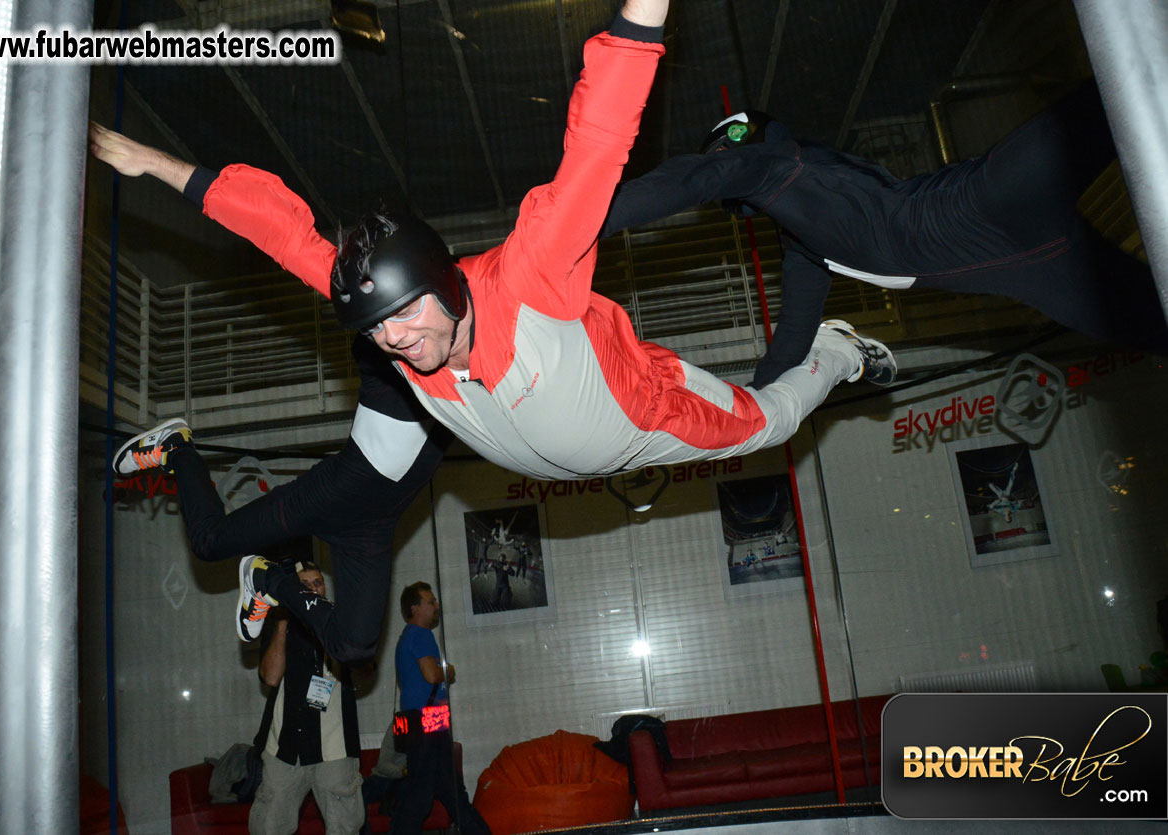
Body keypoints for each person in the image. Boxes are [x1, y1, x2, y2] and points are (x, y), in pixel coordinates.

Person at [97, 0, 891, 656]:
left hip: (644, 417)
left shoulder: (531, 273)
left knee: (770, 421)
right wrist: (156, 166)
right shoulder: (393, 330)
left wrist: (644, 13)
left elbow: (600, 130)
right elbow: (282, 231)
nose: (399, 341)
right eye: (380, 330)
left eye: (408, 316)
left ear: (443, 284)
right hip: (546, 446)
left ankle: (838, 349)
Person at [601, 80, 1168, 387]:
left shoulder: (775, 168)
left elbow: (695, 177)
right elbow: (794, 334)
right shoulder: (803, 245)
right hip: (1033, 269)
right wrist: (756, 403)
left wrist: (580, 216)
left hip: (984, 200)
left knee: (1129, 83)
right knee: (1154, 323)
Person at [250, 561, 364, 835]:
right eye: (304, 586)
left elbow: (366, 668)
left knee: (344, 827)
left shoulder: (340, 622)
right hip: (286, 747)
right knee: (268, 826)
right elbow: (271, 677)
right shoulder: (279, 624)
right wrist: (282, 624)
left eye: (318, 583)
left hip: (334, 747)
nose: (313, 589)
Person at [389, 582, 488, 835]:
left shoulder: (405, 637)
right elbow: (432, 675)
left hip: (413, 719)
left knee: (445, 788)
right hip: (428, 719)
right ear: (415, 608)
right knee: (426, 793)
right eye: (430, 602)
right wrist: (449, 669)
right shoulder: (421, 634)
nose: (436, 606)